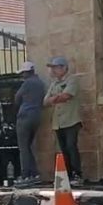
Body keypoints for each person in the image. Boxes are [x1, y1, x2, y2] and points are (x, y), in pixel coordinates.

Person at [43, 57, 83, 187]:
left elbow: (67, 95)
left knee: (71, 146)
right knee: (63, 149)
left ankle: (78, 175)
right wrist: (57, 98)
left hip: (71, 120)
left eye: (56, 67)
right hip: (58, 122)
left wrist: (55, 98)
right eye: (53, 68)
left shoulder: (72, 80)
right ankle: (68, 175)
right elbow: (45, 101)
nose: (54, 70)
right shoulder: (54, 83)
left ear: (64, 68)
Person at [14, 61, 46, 185]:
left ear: (27, 72)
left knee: (23, 147)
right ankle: (34, 174)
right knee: (28, 146)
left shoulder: (27, 83)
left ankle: (26, 175)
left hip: (25, 116)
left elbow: (17, 97)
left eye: (22, 73)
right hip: (37, 116)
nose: (22, 76)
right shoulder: (40, 83)